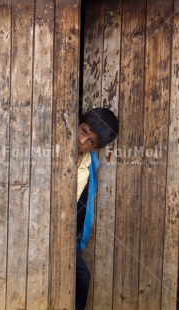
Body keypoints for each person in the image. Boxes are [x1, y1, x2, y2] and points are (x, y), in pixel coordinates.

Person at [76, 107, 118, 310]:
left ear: (96, 147)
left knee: (81, 277)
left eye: (91, 141)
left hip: (69, 236)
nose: (82, 142)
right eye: (83, 131)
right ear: (78, 123)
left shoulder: (90, 164)